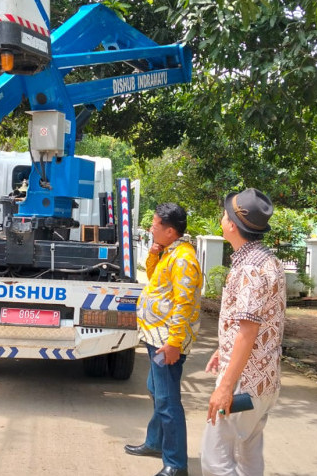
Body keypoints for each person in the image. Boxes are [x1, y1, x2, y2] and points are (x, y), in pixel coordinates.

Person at [201, 188, 286, 476]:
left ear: (232, 226)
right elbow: (251, 323)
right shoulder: (268, 261)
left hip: (243, 387)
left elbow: (248, 332)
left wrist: (225, 387)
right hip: (263, 385)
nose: (222, 218)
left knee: (216, 461)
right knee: (248, 455)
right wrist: (222, 349)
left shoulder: (248, 269)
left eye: (225, 215)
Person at [125, 203, 202, 476]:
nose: (150, 229)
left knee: (168, 401)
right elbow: (155, 278)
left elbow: (183, 303)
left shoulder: (183, 259)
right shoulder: (169, 252)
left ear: (170, 231)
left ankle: (176, 464)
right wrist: (153, 253)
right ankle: (156, 442)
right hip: (156, 335)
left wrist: (174, 342)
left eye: (155, 225)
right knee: (157, 391)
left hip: (166, 339)